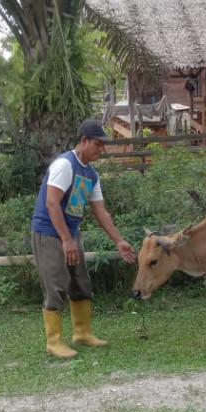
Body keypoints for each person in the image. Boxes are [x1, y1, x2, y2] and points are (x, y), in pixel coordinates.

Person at [31, 119, 137, 358]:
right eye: (98, 144)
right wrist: (66, 240)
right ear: (84, 141)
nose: (102, 149)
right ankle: (54, 342)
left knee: (80, 282)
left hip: (71, 233)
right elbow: (51, 202)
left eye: (103, 145)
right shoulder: (65, 165)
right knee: (56, 285)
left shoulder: (91, 174)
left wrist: (119, 241)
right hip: (49, 233)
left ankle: (82, 333)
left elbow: (101, 212)